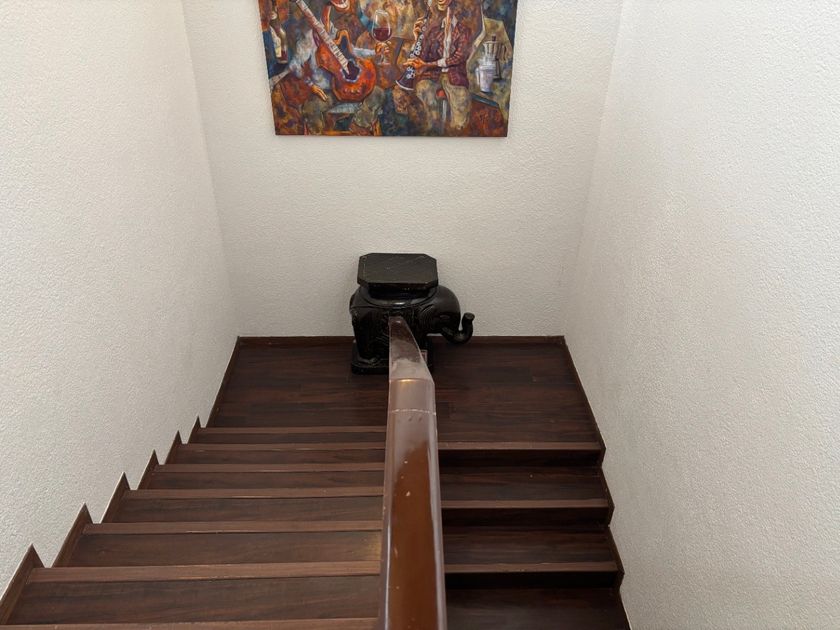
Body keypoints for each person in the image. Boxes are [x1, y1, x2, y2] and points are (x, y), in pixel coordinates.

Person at [297, 0, 391, 135]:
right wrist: (310, 86)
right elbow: (296, 68)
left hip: (354, 85)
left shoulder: (334, 33)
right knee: (310, 108)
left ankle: (359, 127)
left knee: (378, 93)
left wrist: (374, 53)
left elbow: (353, 51)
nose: (326, 18)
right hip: (329, 92)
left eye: (328, 13)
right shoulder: (305, 43)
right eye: (325, 12)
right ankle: (318, 141)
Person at [402, 0, 474, 133]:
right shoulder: (434, 30)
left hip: (455, 77)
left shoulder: (464, 31)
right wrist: (417, 38)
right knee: (423, 88)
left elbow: (458, 57)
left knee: (461, 102)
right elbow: (423, 56)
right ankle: (434, 129)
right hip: (433, 75)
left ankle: (457, 132)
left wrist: (429, 64)